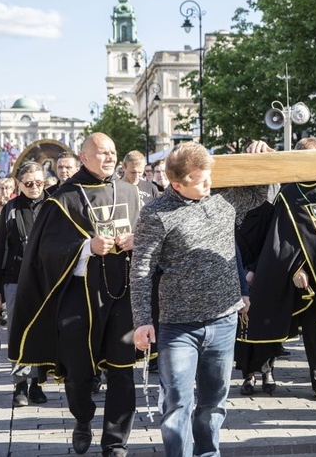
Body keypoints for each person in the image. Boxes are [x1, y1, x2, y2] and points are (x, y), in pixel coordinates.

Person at [130, 140, 272, 456]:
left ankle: (208, 453)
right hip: (178, 326)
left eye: (210, 176)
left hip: (224, 321)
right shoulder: (156, 213)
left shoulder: (221, 198)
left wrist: (261, 157)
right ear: (178, 183)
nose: (209, 183)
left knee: (213, 405)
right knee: (178, 403)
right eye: (202, 179)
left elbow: (258, 195)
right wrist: (141, 320)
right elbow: (140, 269)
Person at [8, 132, 141, 456]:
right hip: (79, 296)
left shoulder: (129, 191)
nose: (110, 157)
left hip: (121, 294)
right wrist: (86, 247)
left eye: (113, 152)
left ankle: (115, 442)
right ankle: (82, 418)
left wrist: (137, 241)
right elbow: (45, 250)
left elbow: (147, 234)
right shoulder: (63, 198)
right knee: (79, 370)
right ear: (84, 157)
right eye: (102, 153)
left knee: (123, 370)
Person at [239, 137, 316, 400]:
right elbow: (284, 240)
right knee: (313, 329)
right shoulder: (288, 195)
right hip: (308, 276)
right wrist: (295, 270)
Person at [0, 162, 49, 406]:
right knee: (17, 332)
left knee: (44, 331)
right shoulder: (11, 209)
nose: (35, 187)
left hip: (46, 280)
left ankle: (37, 385)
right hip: (15, 280)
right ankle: (20, 386)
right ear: (19, 184)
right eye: (29, 183)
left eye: (40, 182)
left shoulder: (52, 206)